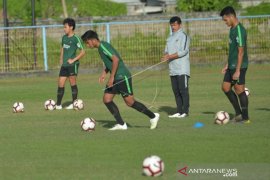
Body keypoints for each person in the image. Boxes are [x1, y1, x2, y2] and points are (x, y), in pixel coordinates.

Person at [81, 30, 160, 130]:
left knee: (130, 102)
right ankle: (121, 124)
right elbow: (110, 61)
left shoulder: (103, 46)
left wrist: (111, 77)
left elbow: (116, 59)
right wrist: (104, 73)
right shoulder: (100, 48)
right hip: (116, 77)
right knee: (107, 99)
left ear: (91, 40)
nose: (87, 45)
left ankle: (153, 116)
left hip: (122, 76)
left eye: (87, 43)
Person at [220, 6, 250, 123]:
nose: (225, 22)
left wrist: (237, 70)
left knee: (239, 89)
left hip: (239, 65)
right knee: (225, 87)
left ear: (231, 16)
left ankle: (246, 118)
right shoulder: (232, 29)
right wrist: (227, 64)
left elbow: (241, 52)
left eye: (225, 20)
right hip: (231, 65)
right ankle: (238, 114)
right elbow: (233, 50)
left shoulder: (239, 30)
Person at [161, 16, 190, 118]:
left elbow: (183, 51)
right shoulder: (169, 38)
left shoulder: (184, 36)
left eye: (175, 25)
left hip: (182, 68)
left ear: (180, 24)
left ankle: (185, 112)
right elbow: (166, 51)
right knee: (176, 91)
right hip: (172, 69)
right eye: (172, 25)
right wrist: (165, 56)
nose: (173, 27)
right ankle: (179, 111)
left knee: (183, 90)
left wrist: (169, 56)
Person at [56, 18, 85, 110]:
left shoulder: (76, 38)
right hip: (64, 65)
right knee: (60, 83)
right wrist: (61, 58)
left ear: (71, 27)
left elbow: (83, 51)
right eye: (63, 27)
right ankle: (58, 104)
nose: (64, 29)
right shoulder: (64, 38)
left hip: (73, 65)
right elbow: (62, 48)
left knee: (72, 82)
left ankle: (74, 103)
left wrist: (73, 60)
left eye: (65, 27)